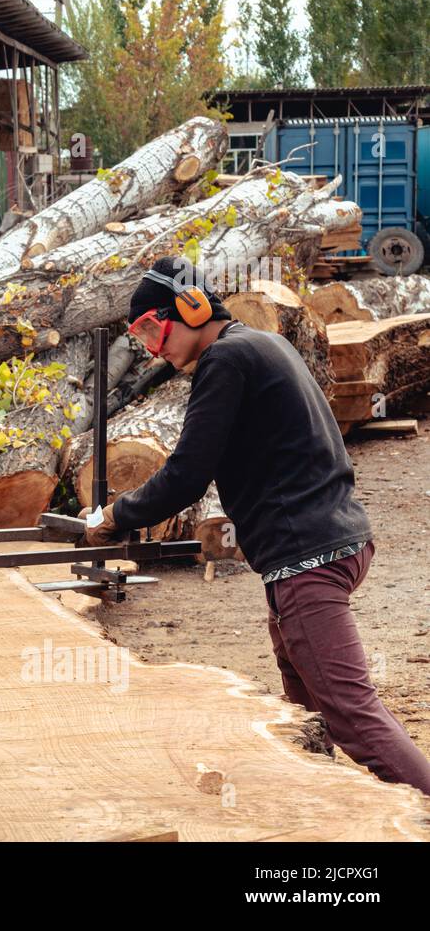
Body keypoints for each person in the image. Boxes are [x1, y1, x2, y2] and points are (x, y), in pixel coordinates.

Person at [82, 255, 430, 795]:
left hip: (306, 558)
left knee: (352, 717)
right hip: (330, 544)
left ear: (190, 307)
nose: (154, 348)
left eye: (154, 328)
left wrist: (113, 516)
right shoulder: (261, 346)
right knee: (304, 713)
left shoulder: (227, 361)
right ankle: (329, 808)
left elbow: (185, 477)